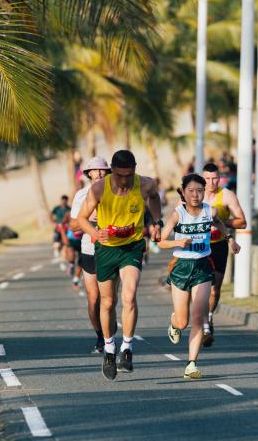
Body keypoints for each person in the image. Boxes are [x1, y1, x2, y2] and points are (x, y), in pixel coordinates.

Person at [77, 149, 162, 380]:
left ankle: (126, 348)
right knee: (107, 302)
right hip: (106, 250)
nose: (125, 180)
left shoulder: (145, 184)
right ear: (112, 170)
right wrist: (96, 233)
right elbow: (80, 219)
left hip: (131, 248)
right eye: (120, 175)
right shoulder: (98, 189)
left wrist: (156, 221)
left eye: (129, 174)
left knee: (129, 295)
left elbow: (155, 198)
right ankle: (109, 349)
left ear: (134, 169)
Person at [159, 174, 240, 379]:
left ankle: (191, 364)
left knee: (197, 316)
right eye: (191, 191)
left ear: (205, 192)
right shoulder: (177, 214)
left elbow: (220, 223)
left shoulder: (209, 211)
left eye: (200, 191)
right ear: (184, 192)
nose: (196, 195)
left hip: (203, 267)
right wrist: (177, 243)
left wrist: (230, 240)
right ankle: (174, 322)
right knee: (183, 320)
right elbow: (161, 242)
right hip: (181, 267)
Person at [70, 156, 113, 353]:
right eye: (94, 171)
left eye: (102, 170)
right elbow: (73, 226)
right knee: (93, 298)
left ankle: (108, 336)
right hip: (89, 249)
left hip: (112, 248)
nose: (98, 174)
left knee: (110, 299)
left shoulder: (115, 192)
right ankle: (99, 335)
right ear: (88, 174)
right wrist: (87, 219)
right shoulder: (80, 195)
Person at [201, 163, 246, 347]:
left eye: (214, 178)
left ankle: (209, 317)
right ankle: (204, 327)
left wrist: (220, 221)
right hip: (199, 247)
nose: (211, 182)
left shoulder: (227, 195)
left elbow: (242, 222)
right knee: (203, 287)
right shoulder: (194, 194)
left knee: (214, 289)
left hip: (219, 245)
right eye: (207, 179)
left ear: (219, 178)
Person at [51, 195, 71, 263]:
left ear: (67, 201)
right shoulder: (57, 208)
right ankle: (56, 250)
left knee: (65, 241)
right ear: (61, 201)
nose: (64, 202)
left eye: (65, 201)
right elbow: (51, 215)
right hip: (58, 227)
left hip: (66, 227)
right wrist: (53, 222)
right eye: (63, 201)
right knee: (56, 239)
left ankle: (64, 255)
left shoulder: (69, 209)